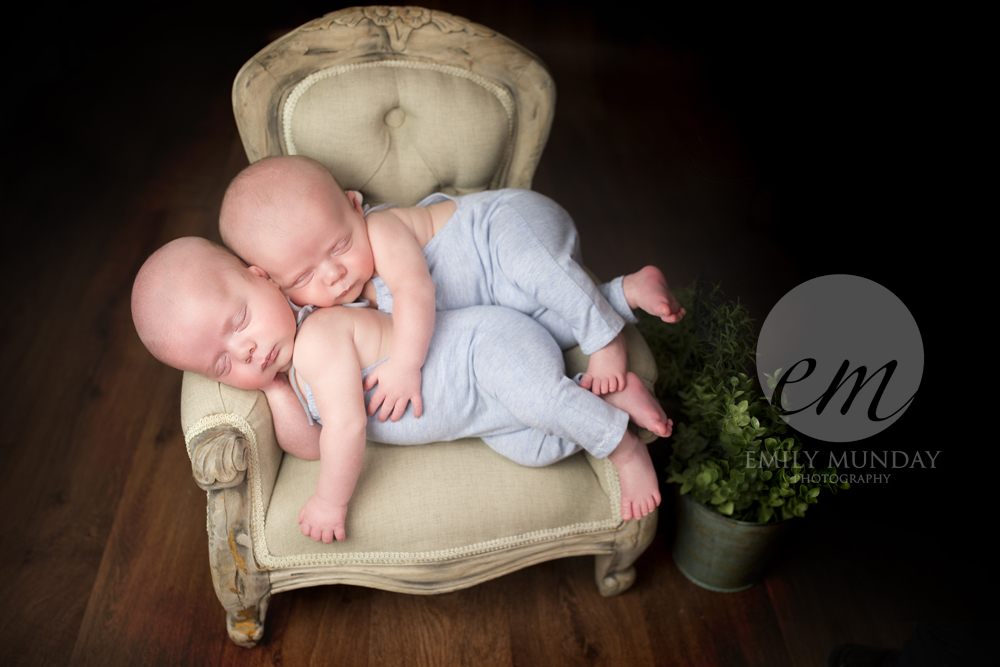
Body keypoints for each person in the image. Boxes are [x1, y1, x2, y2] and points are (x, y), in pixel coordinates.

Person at [132, 237, 670, 544]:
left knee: (542, 401)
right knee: (537, 446)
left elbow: (343, 430)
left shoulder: (321, 335)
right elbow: (307, 444)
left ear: (263, 277)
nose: (246, 350)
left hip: (484, 352)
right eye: (223, 362)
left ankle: (621, 446)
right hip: (481, 412)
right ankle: (604, 396)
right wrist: (273, 389)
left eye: (240, 320)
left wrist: (329, 500)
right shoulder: (292, 369)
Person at [218, 156, 685, 424]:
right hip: (499, 299)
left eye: (340, 245)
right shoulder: (324, 310)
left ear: (354, 206)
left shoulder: (379, 230)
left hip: (502, 229)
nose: (333, 275)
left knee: (536, 272)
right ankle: (627, 293)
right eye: (302, 278)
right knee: (537, 326)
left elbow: (416, 293)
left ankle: (605, 337)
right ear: (274, 284)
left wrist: (405, 365)